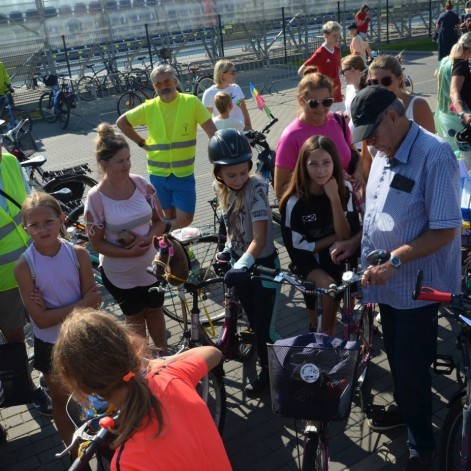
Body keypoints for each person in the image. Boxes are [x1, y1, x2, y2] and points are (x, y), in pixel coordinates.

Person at [351, 85, 461, 471]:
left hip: (418, 288)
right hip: (386, 285)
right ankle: (411, 414)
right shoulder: (384, 148)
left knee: (412, 369)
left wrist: (394, 260)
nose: (369, 144)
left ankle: (422, 446)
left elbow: (445, 230)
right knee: (400, 362)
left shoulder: (435, 155)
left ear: (393, 118)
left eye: (372, 134)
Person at [52, 308, 232, 471]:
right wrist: (158, 364)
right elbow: (213, 353)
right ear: (130, 346)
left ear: (83, 387)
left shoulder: (128, 462)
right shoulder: (172, 375)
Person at [13, 191, 102, 460]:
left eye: (48, 222)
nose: (42, 229)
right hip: (50, 345)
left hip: (85, 338)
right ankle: (78, 459)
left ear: (62, 220)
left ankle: (109, 446)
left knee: (100, 395)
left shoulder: (78, 254)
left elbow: (95, 301)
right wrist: (80, 304)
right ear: (26, 228)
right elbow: (40, 320)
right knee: (62, 405)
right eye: (34, 225)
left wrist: (57, 311)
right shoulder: (24, 266)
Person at [208, 128, 279, 395]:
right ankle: (267, 364)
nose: (238, 179)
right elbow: (231, 230)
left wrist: (242, 263)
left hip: (263, 268)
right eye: (230, 175)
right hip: (241, 266)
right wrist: (226, 251)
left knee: (265, 328)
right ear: (218, 173)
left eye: (242, 172)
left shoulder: (257, 187)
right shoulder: (220, 187)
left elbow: (259, 238)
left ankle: (274, 373)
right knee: (253, 322)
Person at [84, 123, 168, 350]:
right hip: (119, 274)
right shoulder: (96, 198)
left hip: (151, 266)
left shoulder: (141, 184)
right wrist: (126, 252)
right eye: (120, 161)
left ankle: (163, 356)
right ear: (104, 164)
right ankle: (143, 366)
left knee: (155, 310)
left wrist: (149, 237)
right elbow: (96, 243)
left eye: (128, 159)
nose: (127, 165)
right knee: (135, 318)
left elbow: (160, 221)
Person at [116, 64, 216, 230]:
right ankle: (171, 247)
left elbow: (213, 133)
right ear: (154, 86)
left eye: (167, 81)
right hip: (157, 175)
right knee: (167, 216)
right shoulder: (149, 107)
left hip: (183, 174)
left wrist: (220, 161)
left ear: (175, 81)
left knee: (185, 218)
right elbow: (122, 122)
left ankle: (160, 233)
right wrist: (141, 142)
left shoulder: (191, 102)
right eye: (158, 84)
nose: (164, 86)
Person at [279, 135, 360, 335]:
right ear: (303, 166)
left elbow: (346, 234)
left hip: (341, 256)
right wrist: (331, 239)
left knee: (350, 304)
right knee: (328, 293)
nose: (321, 170)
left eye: (326, 163)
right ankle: (324, 337)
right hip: (310, 262)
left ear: (335, 162)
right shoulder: (294, 201)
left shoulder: (345, 190)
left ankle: (353, 330)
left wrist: (334, 197)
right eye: (313, 164)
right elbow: (298, 248)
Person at [0, 140, 51, 415]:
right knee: (15, 337)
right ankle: (28, 389)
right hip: (3, 280)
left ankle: (50, 379)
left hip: (34, 264)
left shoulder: (9, 162)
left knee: (43, 326)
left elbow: (29, 204)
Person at [274, 68, 363, 200]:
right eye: (313, 103)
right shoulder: (291, 136)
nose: (321, 109)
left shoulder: (338, 122)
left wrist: (358, 172)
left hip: (346, 203)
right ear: (300, 100)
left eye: (327, 102)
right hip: (316, 212)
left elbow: (355, 155)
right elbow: (281, 188)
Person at [368, 54, 435, 133]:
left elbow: (431, 143)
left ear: (399, 79)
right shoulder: (371, 107)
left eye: (386, 81)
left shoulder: (417, 105)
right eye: (375, 82)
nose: (381, 87)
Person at [297, 21, 343, 105]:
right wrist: (315, 84)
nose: (337, 38)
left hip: (338, 94)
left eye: (339, 35)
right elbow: (300, 71)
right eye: (334, 35)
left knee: (341, 117)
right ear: (326, 36)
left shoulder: (337, 50)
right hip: (325, 98)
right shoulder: (320, 53)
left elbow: (337, 68)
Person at [202, 59, 252, 131]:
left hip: (241, 133)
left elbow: (244, 109)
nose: (235, 74)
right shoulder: (209, 93)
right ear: (222, 76)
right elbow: (206, 120)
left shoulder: (236, 88)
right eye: (232, 72)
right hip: (224, 137)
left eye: (235, 71)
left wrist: (250, 130)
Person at [341, 54, 367, 151]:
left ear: (353, 70)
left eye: (343, 71)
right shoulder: (349, 88)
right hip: (351, 142)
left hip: (363, 143)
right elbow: (349, 112)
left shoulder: (367, 92)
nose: (342, 75)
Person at [449, 32, 471, 126]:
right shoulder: (461, 65)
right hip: (466, 113)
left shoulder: (449, 60)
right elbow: (454, 91)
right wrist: (462, 113)